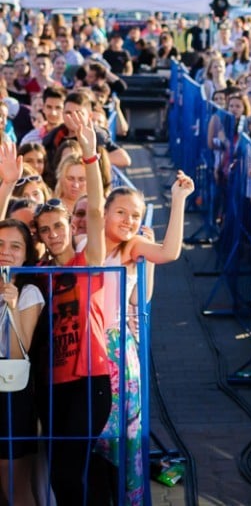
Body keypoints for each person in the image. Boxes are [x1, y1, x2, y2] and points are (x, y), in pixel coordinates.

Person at [95, 171, 193, 505]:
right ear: (105, 212)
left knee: (126, 435)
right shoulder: (85, 243)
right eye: (121, 212)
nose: (128, 220)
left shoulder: (133, 246)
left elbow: (169, 252)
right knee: (92, 437)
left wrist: (178, 201)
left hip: (118, 352)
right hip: (87, 350)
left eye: (135, 215)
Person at [35, 111, 111, 504]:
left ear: (69, 226)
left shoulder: (88, 262)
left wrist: (89, 157)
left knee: (69, 474)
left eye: (58, 226)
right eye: (45, 230)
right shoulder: (37, 273)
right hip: (52, 382)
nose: (52, 234)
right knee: (63, 476)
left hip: (89, 379)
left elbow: (97, 212)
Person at [0, 219, 43, 504]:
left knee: (14, 483)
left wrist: (12, 307)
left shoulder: (29, 293)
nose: (6, 251)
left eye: (15, 246)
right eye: (0, 245)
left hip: (12, 395)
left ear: (26, 254)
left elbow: (19, 352)